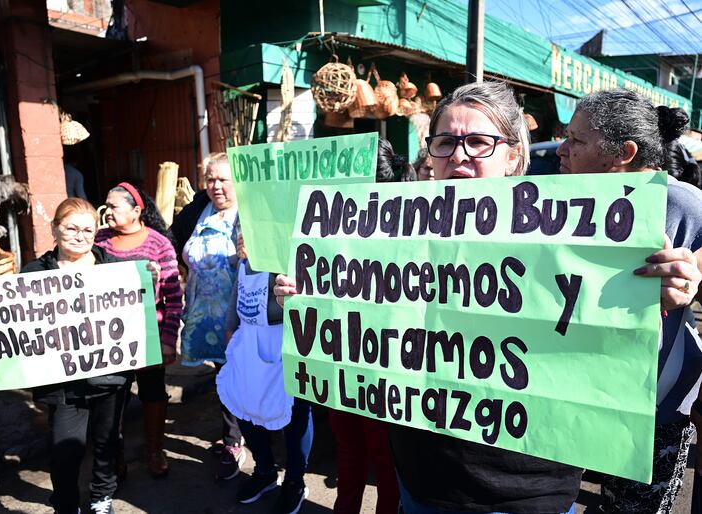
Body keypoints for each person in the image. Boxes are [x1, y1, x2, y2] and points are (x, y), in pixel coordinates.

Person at [275, 81, 701, 514]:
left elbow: (606, 344)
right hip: (418, 483)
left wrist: (668, 288)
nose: (458, 155)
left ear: (514, 156)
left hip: (524, 494)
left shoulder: (573, 228)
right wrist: (312, 299)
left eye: (478, 142)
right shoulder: (393, 231)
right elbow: (368, 328)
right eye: (445, 142)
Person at [557, 89, 702, 514]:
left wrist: (691, 282)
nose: (562, 149)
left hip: (654, 409)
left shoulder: (684, 206)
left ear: (624, 153)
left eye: (576, 140)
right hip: (568, 393)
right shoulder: (558, 199)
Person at [0, 198, 134, 514]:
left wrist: (147, 278)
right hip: (64, 384)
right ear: (54, 229)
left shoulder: (116, 269)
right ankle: (66, 505)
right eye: (71, 228)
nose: (80, 236)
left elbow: (136, 308)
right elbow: (12, 316)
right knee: (64, 451)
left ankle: (102, 497)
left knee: (107, 442)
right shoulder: (34, 273)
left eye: (88, 230)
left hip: (109, 377)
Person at [327, 137, 407, 514]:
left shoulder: (408, 230)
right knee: (350, 448)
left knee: (385, 455)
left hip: (387, 365)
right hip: (340, 357)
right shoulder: (325, 229)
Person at [217, 228, 313, 514]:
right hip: (249, 342)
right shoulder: (246, 255)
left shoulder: (291, 253)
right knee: (246, 407)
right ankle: (265, 471)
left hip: (286, 342)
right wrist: (230, 328)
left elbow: (301, 300)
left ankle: (295, 481)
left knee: (294, 414)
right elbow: (238, 290)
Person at [94, 182, 182, 479]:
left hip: (148, 335)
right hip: (109, 336)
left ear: (136, 211)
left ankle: (155, 450)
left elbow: (174, 297)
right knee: (113, 396)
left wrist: (168, 340)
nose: (107, 211)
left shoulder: (159, 244)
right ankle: (115, 457)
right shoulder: (100, 241)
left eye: (114, 206)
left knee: (152, 392)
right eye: (106, 205)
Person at [169, 152, 245, 480]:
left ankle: (238, 439)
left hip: (240, 315)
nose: (216, 186)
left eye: (223, 180)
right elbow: (171, 240)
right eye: (210, 179)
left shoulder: (250, 214)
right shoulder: (198, 210)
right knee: (223, 376)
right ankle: (234, 435)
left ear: (238, 182)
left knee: (242, 376)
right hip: (205, 317)